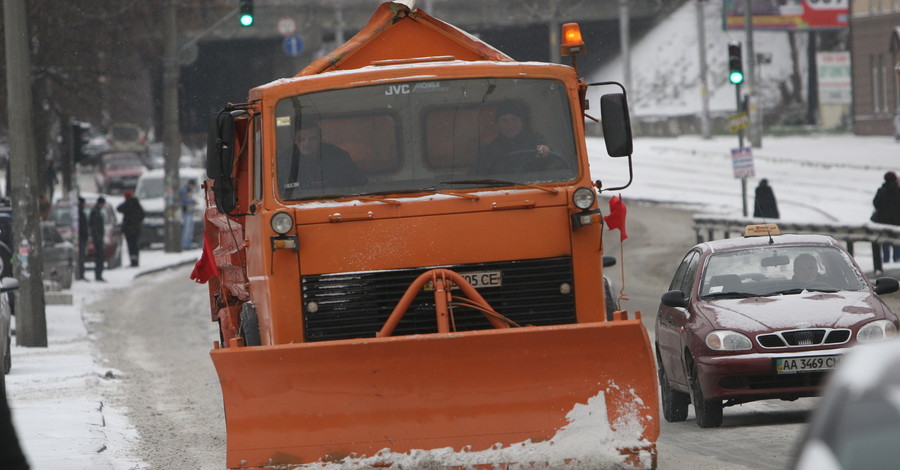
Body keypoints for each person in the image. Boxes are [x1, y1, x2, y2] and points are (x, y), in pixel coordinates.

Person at [285, 119, 366, 192]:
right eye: (301, 139)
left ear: (320, 139)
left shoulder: (338, 155)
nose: (307, 144)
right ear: (295, 141)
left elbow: (358, 181)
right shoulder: (285, 160)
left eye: (312, 139)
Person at [475, 101, 554, 174]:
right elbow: (476, 177)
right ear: (498, 124)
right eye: (504, 121)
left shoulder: (537, 141)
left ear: (522, 122)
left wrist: (545, 150)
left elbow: (558, 162)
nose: (510, 125)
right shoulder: (489, 150)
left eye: (514, 120)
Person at [872, 171, 900, 263]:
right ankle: (896, 259)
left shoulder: (882, 190)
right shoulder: (898, 191)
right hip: (897, 221)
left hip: (883, 221)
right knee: (896, 240)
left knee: (885, 241)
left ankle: (886, 259)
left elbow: (876, 203)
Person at [117, 190, 144, 267]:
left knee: (130, 245)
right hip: (136, 229)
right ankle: (136, 261)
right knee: (135, 245)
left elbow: (118, 208)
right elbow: (142, 215)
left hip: (128, 229)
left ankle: (133, 261)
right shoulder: (137, 205)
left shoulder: (126, 205)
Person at [89, 197, 107, 282]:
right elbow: (95, 227)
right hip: (98, 238)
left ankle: (99, 274)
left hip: (98, 237)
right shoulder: (95, 212)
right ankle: (98, 275)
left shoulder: (97, 211)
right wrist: (98, 237)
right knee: (100, 257)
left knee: (100, 257)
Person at [179, 179, 197, 251]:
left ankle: (188, 244)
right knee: (187, 229)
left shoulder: (189, 190)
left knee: (190, 229)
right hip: (186, 212)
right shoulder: (184, 190)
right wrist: (192, 201)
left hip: (190, 211)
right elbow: (182, 201)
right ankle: (185, 245)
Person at [76, 197, 88, 280]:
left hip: (81, 237)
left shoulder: (79, 213)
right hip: (81, 238)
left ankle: (81, 274)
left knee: (81, 257)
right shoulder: (80, 214)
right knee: (81, 257)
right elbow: (83, 227)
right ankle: (80, 274)